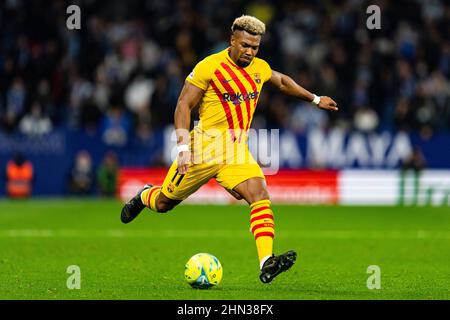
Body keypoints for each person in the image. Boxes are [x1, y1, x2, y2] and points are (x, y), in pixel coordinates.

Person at [120, 15, 338, 283]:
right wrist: (182, 148)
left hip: (235, 150)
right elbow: (183, 106)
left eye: (254, 47)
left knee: (259, 193)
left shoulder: (259, 68)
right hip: (202, 149)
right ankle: (144, 196)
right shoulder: (209, 67)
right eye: (245, 45)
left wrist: (315, 99)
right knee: (164, 203)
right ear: (232, 41)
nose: (249, 52)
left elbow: (281, 81)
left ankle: (266, 261)